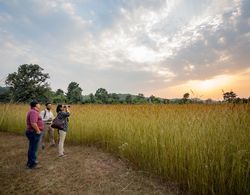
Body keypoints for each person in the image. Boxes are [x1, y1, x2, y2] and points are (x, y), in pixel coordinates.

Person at [25, 100, 44, 169]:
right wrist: (38, 130)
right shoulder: (33, 112)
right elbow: (33, 123)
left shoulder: (33, 111)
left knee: (32, 148)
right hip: (34, 132)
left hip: (32, 132)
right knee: (33, 149)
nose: (40, 105)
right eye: (39, 104)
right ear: (36, 105)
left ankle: (30, 162)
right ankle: (32, 164)